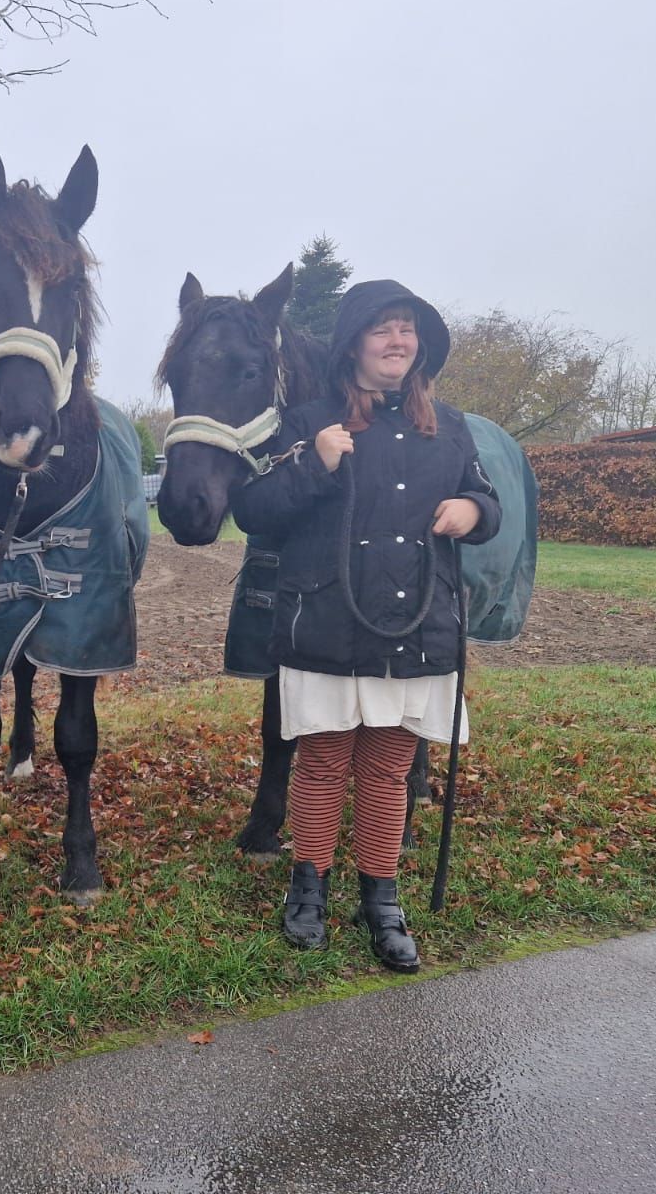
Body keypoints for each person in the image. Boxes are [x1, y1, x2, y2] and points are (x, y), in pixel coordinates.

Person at [229, 280, 501, 973]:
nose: (397, 341)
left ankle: (381, 899)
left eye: (407, 329)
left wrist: (473, 511)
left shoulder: (452, 426)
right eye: (383, 329)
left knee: (387, 772)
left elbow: (486, 499)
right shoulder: (307, 420)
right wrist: (314, 463)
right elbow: (255, 510)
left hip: (415, 624)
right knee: (320, 766)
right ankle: (309, 888)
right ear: (353, 346)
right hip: (325, 620)